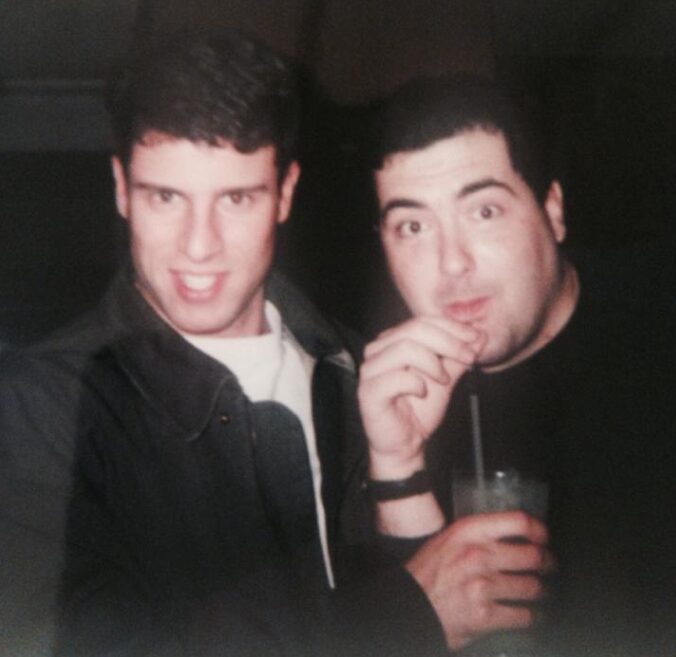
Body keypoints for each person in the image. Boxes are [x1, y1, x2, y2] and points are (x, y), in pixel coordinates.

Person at [0, 31, 445, 657]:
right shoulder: (39, 407)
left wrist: (402, 472)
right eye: (166, 198)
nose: (199, 245)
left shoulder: (358, 367)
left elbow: (446, 597)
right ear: (122, 189)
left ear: (285, 194)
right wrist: (400, 617)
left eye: (236, 199)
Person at [358, 76, 676, 657]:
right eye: (413, 227)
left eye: (484, 211)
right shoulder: (386, 402)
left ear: (552, 211)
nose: (452, 263)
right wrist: (400, 468)